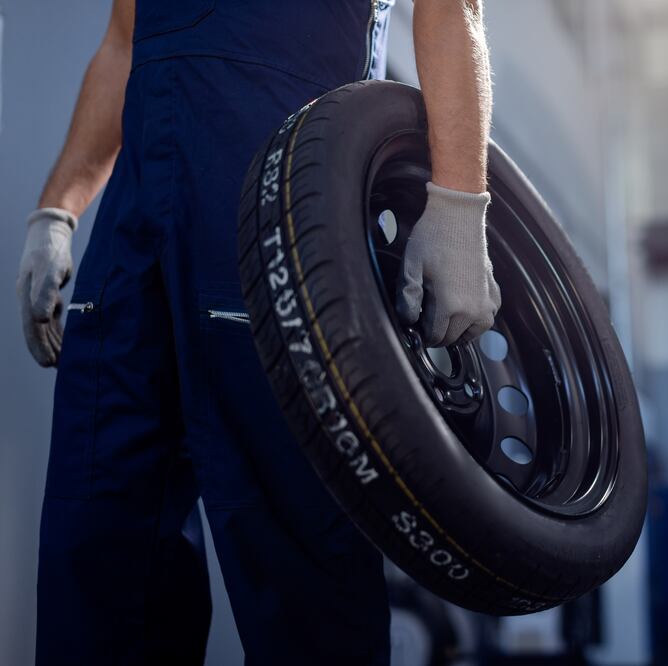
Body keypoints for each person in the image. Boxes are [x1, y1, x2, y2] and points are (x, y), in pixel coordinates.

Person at [15, 0, 501, 663]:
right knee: (100, 547)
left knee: (302, 568)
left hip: (278, 211)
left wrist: (457, 204)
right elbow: (123, 45)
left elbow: (450, 7)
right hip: (133, 240)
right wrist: (58, 209)